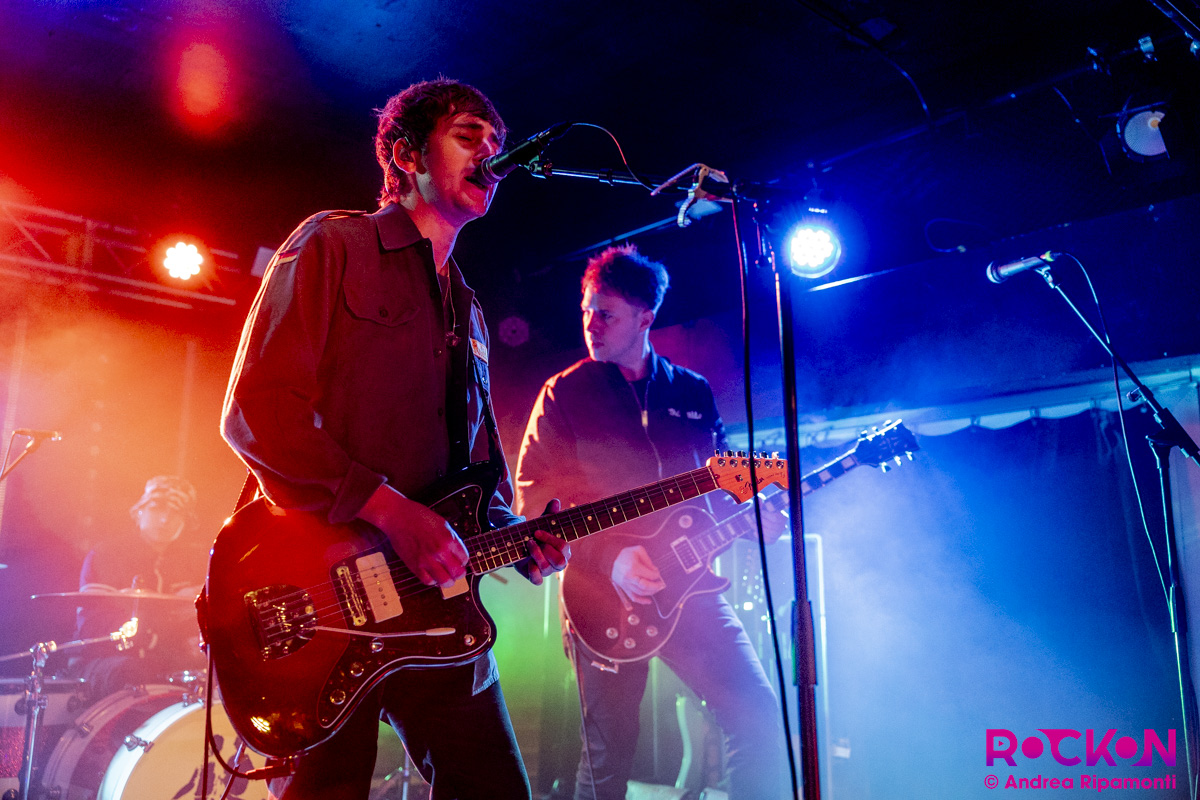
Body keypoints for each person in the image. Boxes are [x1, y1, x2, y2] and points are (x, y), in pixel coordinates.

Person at [220, 78, 570, 800]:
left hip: (435, 610)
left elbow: (473, 477)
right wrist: (390, 511)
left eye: (497, 144)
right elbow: (258, 412)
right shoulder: (335, 244)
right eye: (468, 137)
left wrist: (515, 537)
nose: (490, 155)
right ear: (407, 155)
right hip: (321, 597)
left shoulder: (468, 308)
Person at [514, 244, 788, 800]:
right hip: (599, 595)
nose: (591, 325)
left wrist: (753, 517)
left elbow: (720, 486)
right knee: (608, 759)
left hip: (690, 588)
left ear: (646, 318)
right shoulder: (564, 393)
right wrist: (608, 557)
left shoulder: (691, 392)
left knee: (761, 720)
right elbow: (533, 502)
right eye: (587, 311)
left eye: (606, 314)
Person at [71, 474, 207, 700]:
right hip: (102, 660)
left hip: (168, 660)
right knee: (133, 671)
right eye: (157, 509)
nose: (164, 519)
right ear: (139, 512)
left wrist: (196, 639)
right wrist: (162, 621)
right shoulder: (107, 555)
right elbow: (93, 628)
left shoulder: (192, 564)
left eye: (176, 513)